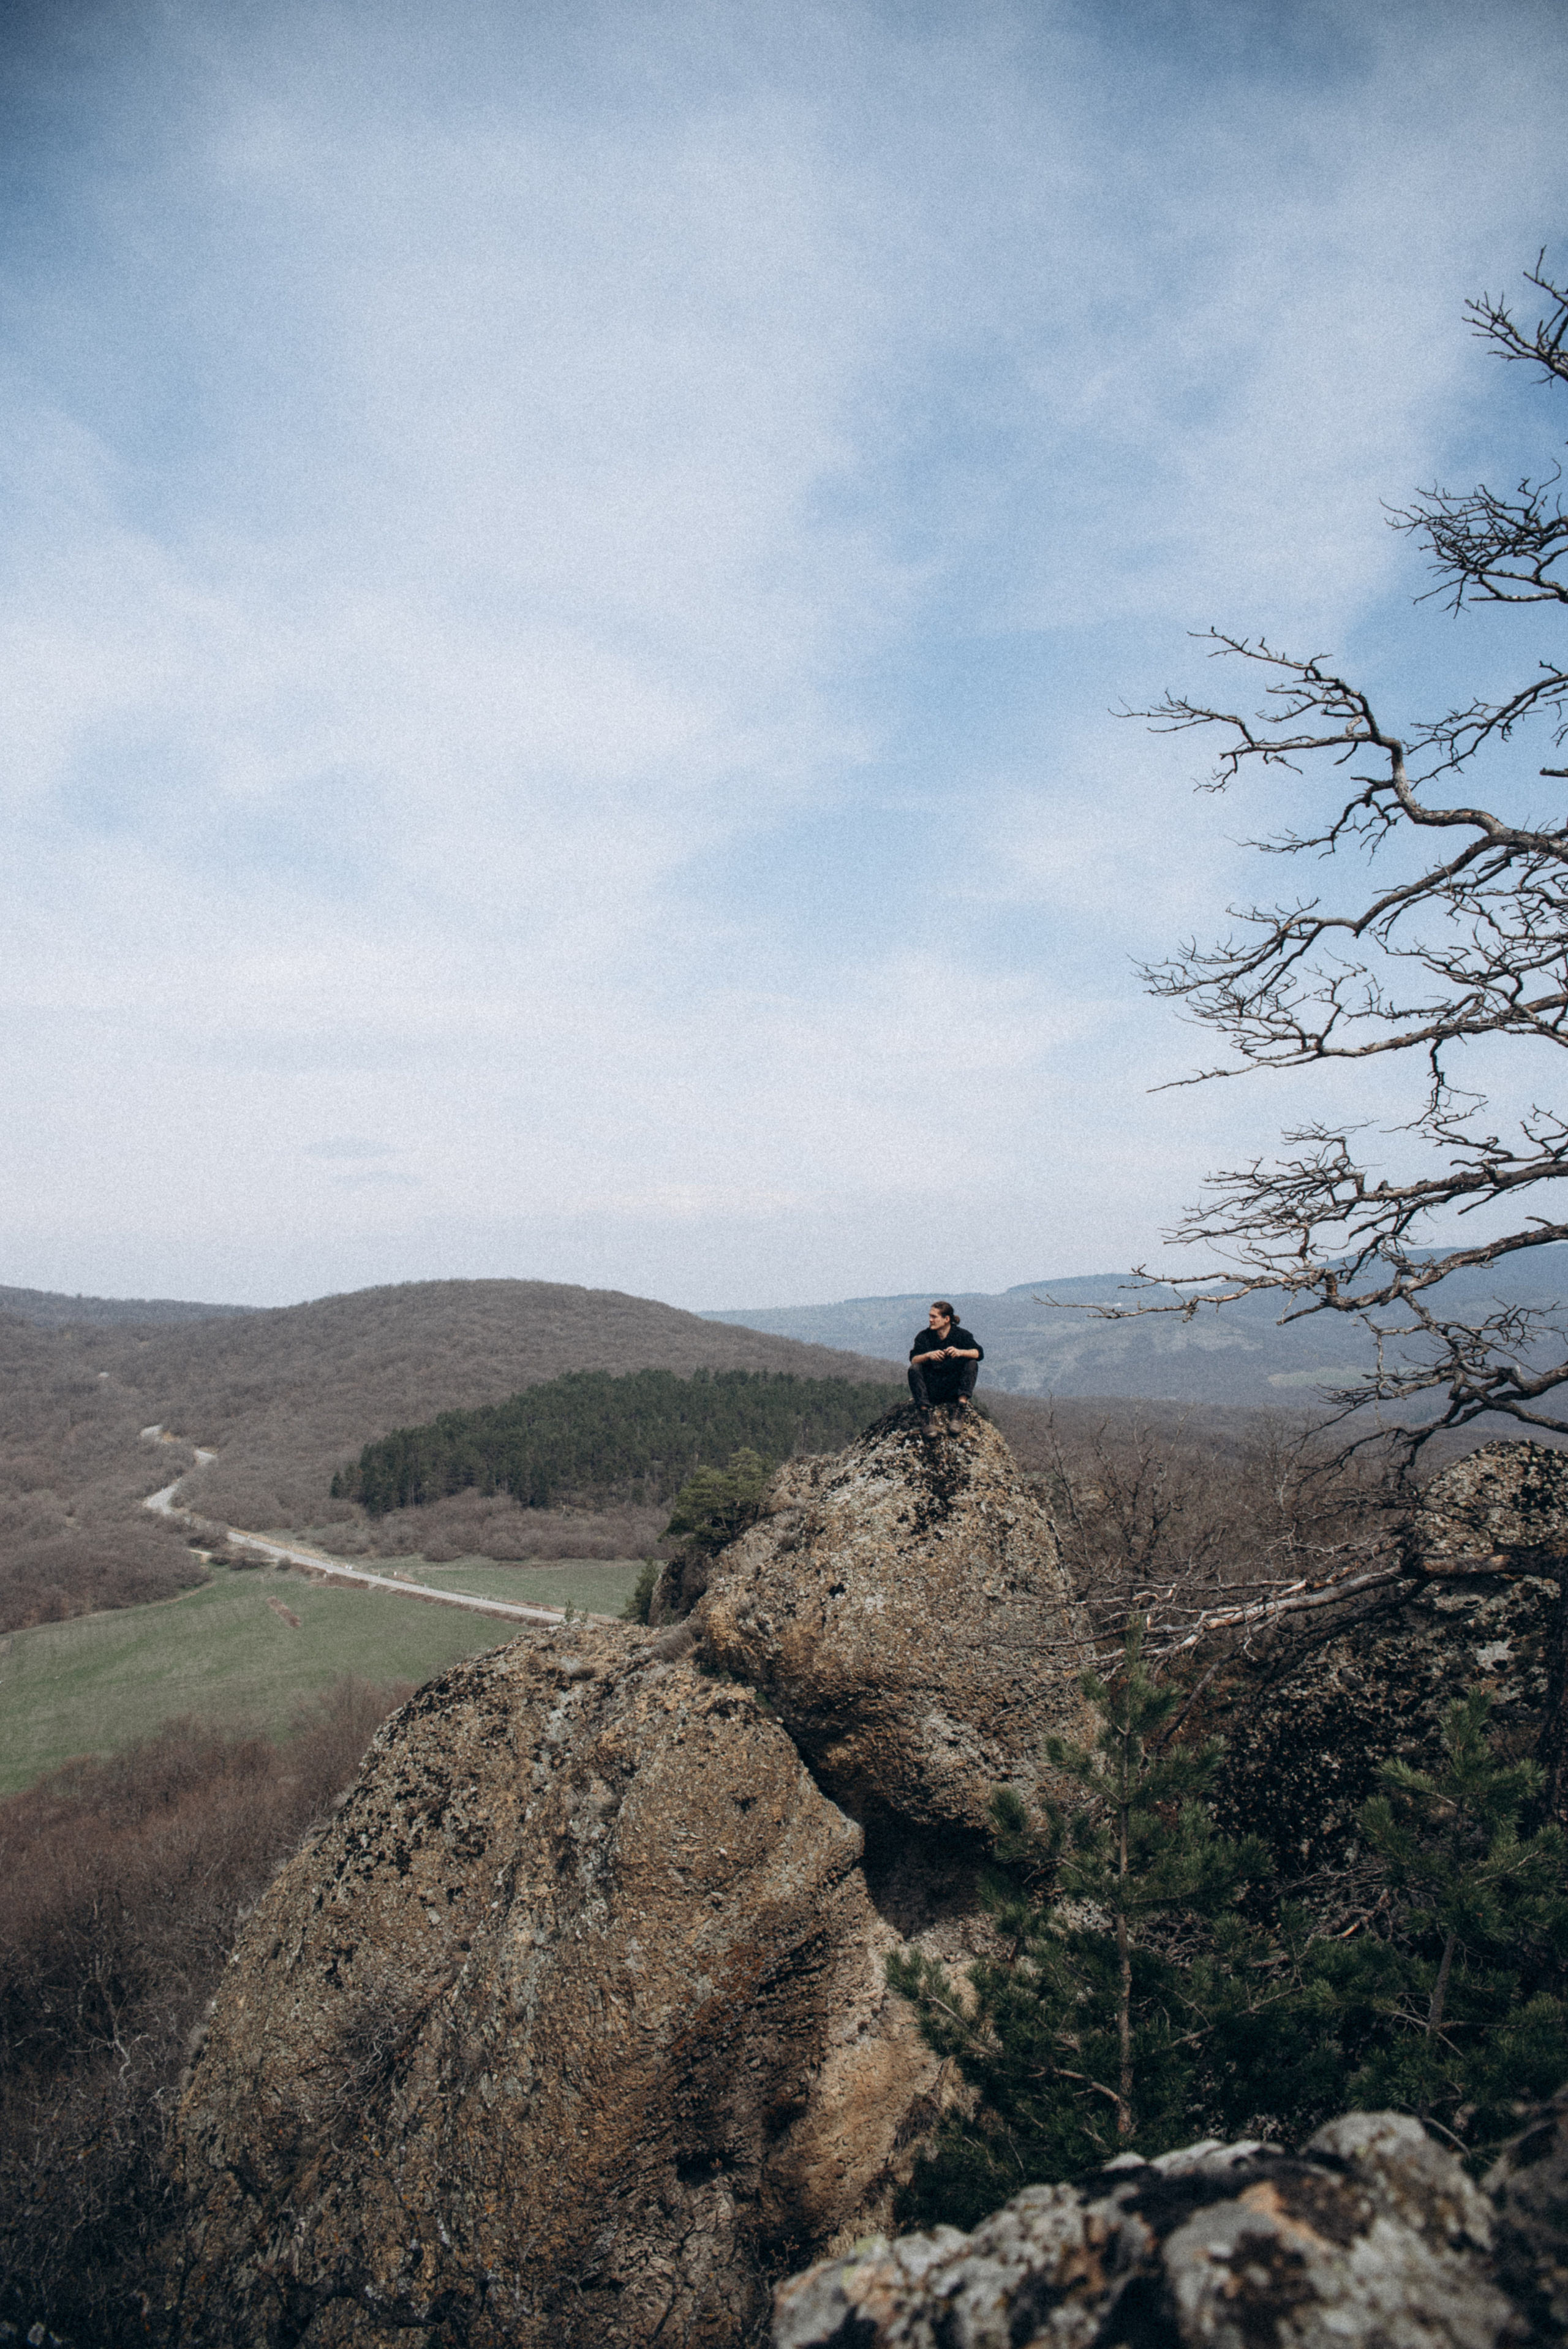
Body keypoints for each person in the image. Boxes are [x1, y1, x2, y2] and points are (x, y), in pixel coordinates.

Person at [908, 1301, 984, 1424]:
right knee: (914, 1369)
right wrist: (928, 1355)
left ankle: (961, 1407)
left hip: (953, 1388)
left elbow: (979, 1353)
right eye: (930, 1316)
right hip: (932, 1388)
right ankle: (925, 1413)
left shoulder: (962, 1335)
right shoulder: (924, 1336)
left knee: (972, 1363)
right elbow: (913, 1360)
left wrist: (960, 1352)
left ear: (946, 1319)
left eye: (934, 1317)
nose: (930, 1320)